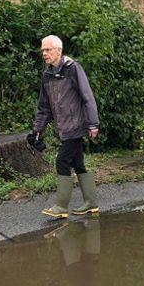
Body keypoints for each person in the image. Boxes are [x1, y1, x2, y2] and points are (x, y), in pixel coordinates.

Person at [31, 35, 100, 218]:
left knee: (62, 160)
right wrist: (38, 131)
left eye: (47, 50)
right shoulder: (47, 75)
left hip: (76, 125)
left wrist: (93, 123)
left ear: (58, 51)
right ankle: (91, 203)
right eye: (43, 50)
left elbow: (87, 97)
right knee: (78, 163)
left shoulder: (73, 69)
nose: (44, 53)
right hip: (63, 127)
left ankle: (61, 206)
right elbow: (44, 107)